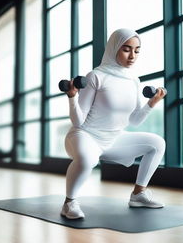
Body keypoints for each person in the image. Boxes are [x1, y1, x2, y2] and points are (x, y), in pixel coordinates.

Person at [61, 28, 166, 219]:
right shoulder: (96, 76)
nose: (132, 56)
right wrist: (72, 97)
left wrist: (151, 103)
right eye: (126, 49)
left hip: (114, 138)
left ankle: (138, 194)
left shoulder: (133, 80)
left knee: (157, 143)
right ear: (114, 48)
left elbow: (134, 121)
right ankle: (69, 203)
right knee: (87, 160)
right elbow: (78, 122)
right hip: (84, 135)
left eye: (137, 51)